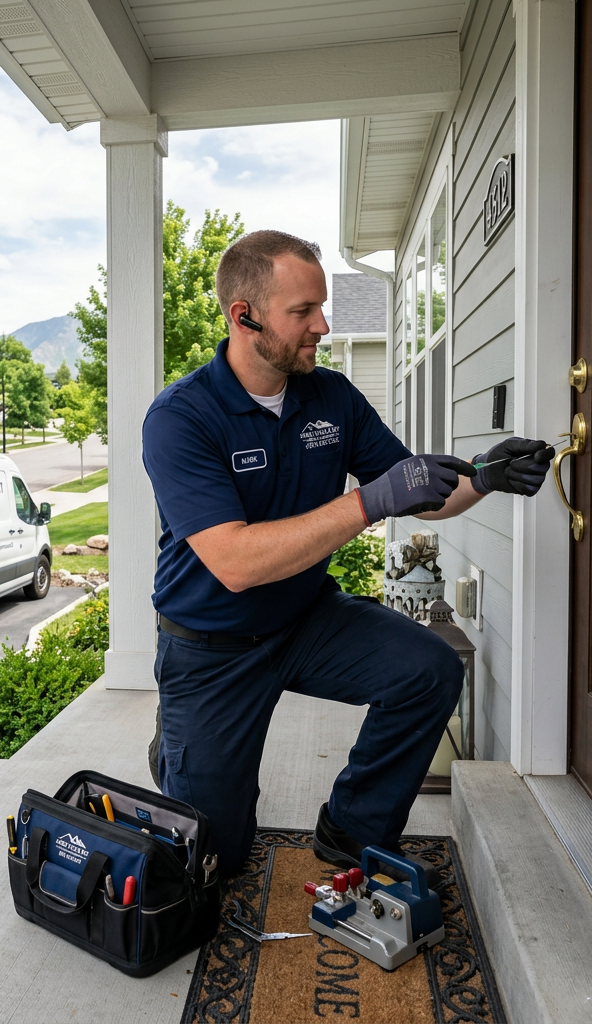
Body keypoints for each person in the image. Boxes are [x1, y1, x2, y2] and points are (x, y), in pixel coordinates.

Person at [141, 230, 553, 879]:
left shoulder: (331, 398)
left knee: (430, 670)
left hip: (305, 619)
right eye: (302, 312)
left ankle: (353, 827)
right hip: (211, 643)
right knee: (215, 856)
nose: (323, 326)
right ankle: (181, 749)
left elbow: (416, 492)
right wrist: (369, 504)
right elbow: (236, 562)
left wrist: (484, 475)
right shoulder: (182, 418)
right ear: (242, 316)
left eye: (321, 308)